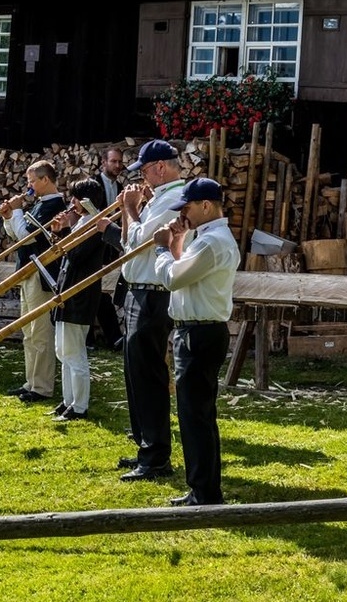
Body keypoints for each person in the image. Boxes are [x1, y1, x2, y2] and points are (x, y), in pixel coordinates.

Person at [98, 138, 186, 483]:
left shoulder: (172, 200)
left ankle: (155, 456)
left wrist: (132, 208)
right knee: (134, 374)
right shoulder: (158, 199)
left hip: (154, 293)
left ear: (160, 167)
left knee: (148, 376)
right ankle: (143, 445)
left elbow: (139, 240)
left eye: (146, 170)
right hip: (137, 291)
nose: (142, 178)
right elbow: (125, 242)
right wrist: (127, 208)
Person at [154, 177, 239, 506]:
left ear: (206, 205)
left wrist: (162, 246)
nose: (183, 213)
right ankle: (203, 488)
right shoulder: (206, 238)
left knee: (195, 415)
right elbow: (183, 272)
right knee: (196, 413)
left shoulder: (211, 242)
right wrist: (177, 241)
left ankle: (204, 492)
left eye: (187, 207)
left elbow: (173, 278)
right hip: (198, 330)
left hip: (200, 333)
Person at [1, 159, 66, 402]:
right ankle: (31, 382)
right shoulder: (40, 204)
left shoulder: (55, 205)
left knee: (40, 333)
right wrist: (9, 217)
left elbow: (27, 237)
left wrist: (17, 210)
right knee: (28, 332)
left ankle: (42, 387)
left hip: (41, 275)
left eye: (31, 182)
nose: (28, 187)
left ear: (45, 180)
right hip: (28, 272)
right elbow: (17, 235)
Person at [47, 178, 108, 421]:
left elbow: (77, 255)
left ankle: (80, 406)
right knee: (63, 351)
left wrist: (65, 229)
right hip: (67, 290)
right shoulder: (82, 221)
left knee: (75, 352)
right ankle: (67, 401)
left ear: (86, 201)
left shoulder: (93, 224)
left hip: (80, 293)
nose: (71, 203)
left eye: (75, 198)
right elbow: (64, 254)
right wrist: (58, 232)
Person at [95, 147, 127, 350]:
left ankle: (112, 337)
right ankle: (110, 337)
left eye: (119, 162)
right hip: (95, 245)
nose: (117, 166)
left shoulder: (121, 187)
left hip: (111, 247)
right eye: (113, 161)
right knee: (94, 290)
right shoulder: (93, 185)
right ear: (103, 163)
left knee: (105, 291)